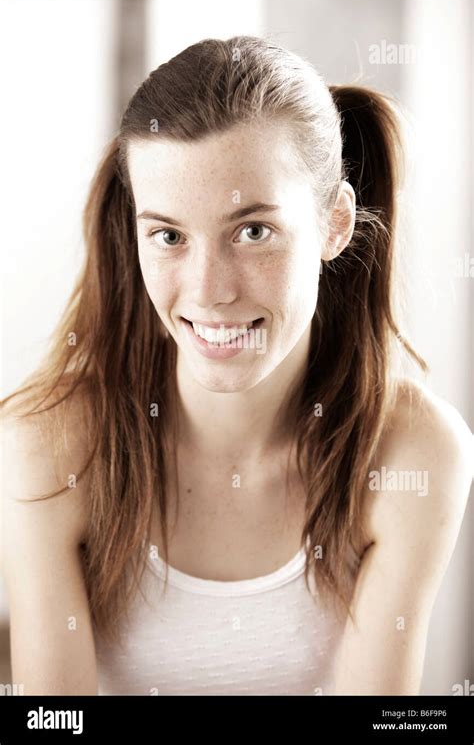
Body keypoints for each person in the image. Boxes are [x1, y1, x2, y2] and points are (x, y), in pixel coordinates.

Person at [1, 35, 472, 696]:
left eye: (253, 231)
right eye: (168, 235)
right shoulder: (47, 446)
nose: (209, 291)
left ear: (335, 223)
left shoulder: (415, 454)